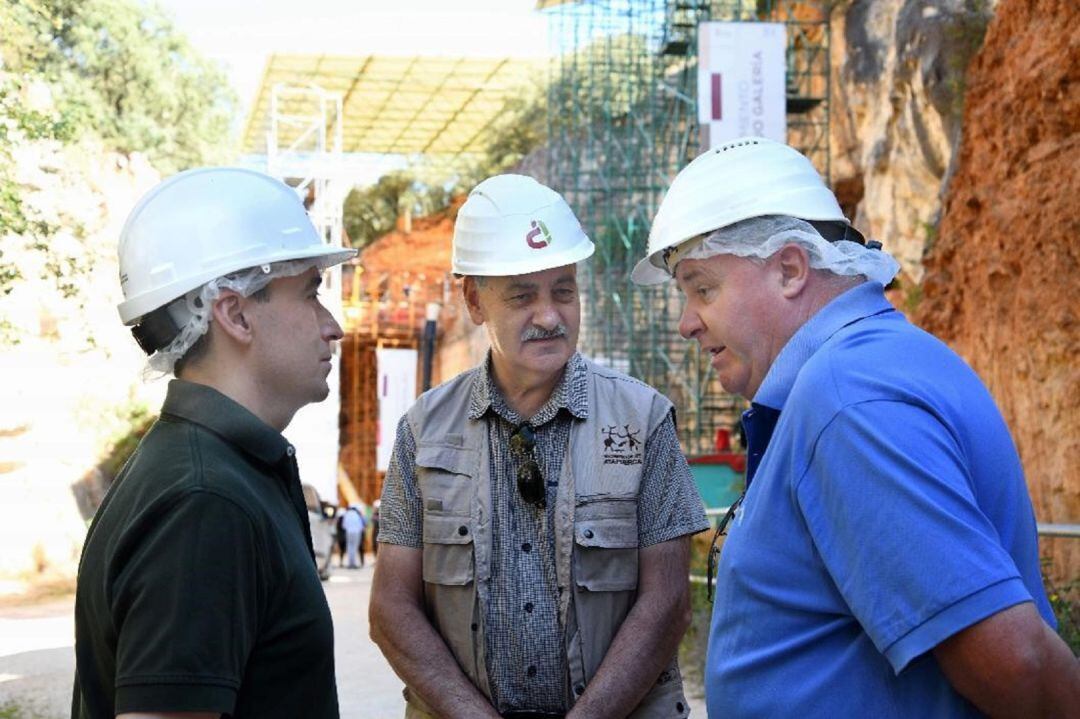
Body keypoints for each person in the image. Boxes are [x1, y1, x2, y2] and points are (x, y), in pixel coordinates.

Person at [632, 136, 1080, 717]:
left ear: (790, 269)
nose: (688, 322)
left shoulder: (847, 399)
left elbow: (1020, 666)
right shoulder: (868, 369)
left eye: (703, 288)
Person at [369, 174, 709, 718]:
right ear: (474, 301)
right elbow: (391, 609)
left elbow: (668, 604)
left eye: (564, 291)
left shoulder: (643, 421)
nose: (549, 316)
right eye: (523, 296)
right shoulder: (423, 431)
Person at [72, 168, 356, 718]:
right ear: (234, 313)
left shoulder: (216, 473)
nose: (333, 326)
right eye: (311, 293)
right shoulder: (205, 501)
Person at [342, 503, 366, 568]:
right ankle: (354, 563)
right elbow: (361, 526)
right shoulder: (357, 515)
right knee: (355, 547)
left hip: (349, 532)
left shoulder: (346, 514)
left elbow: (344, 526)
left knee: (349, 547)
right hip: (356, 533)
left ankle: (350, 563)